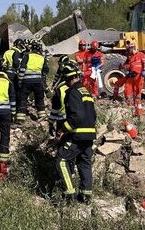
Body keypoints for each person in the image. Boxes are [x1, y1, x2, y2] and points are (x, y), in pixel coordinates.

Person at [55, 64, 96, 205]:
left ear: (69, 78)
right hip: (89, 135)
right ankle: (86, 196)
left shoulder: (73, 92)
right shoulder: (85, 91)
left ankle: (69, 195)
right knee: (84, 164)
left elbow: (77, 116)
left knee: (61, 160)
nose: (66, 83)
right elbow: (93, 114)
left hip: (78, 135)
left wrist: (62, 130)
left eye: (66, 80)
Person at [16, 40, 49, 123]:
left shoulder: (27, 56)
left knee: (22, 98)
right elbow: (46, 70)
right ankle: (41, 116)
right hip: (38, 81)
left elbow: (22, 68)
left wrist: (20, 79)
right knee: (39, 98)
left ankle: (20, 118)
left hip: (27, 81)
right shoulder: (42, 58)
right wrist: (41, 76)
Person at [48, 60, 80, 137]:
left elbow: (55, 109)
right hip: (77, 122)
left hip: (62, 122)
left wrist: (51, 123)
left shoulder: (60, 90)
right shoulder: (82, 89)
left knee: (62, 145)